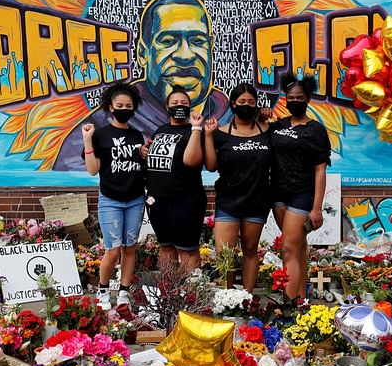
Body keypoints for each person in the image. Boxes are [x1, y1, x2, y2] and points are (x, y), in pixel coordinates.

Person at [91, 0, 231, 137]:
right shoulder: (100, 127)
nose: (185, 56)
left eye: (197, 41)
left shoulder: (231, 119)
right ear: (142, 54)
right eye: (168, 41)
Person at [81, 82, 146, 310]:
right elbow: (92, 169)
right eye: (120, 105)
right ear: (110, 107)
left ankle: (124, 292)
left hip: (136, 199)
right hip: (111, 199)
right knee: (113, 249)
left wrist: (145, 155)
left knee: (130, 248)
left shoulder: (137, 135)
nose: (124, 108)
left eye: (129, 105)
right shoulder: (100, 135)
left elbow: (142, 166)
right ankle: (102, 289)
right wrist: (88, 140)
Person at [204, 83, 272, 291]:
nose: (246, 106)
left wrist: (266, 117)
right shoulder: (221, 133)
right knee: (225, 254)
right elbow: (211, 165)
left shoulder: (268, 130)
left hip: (257, 200)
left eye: (251, 102)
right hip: (228, 201)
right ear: (233, 104)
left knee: (250, 250)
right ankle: (227, 299)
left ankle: (246, 300)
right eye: (241, 102)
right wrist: (207, 135)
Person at [271, 73, 331, 303]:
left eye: (300, 97)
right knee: (298, 248)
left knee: (287, 250)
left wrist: (316, 208)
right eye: (290, 97)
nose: (294, 101)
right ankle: (300, 300)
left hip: (301, 195)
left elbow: (320, 170)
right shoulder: (278, 125)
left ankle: (287, 306)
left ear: (307, 99)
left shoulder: (315, 130)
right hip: (277, 194)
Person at [142, 85, 206, 270]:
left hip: (186, 200)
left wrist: (196, 128)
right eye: (175, 103)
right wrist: (144, 151)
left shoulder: (194, 131)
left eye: (184, 103)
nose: (179, 106)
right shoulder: (160, 130)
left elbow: (192, 161)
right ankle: (167, 295)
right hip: (157, 200)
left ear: (190, 107)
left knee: (187, 249)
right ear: (167, 107)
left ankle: (191, 295)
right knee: (166, 247)